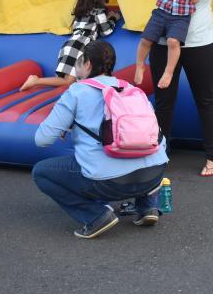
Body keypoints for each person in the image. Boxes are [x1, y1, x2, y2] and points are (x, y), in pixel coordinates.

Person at [32, 40, 169, 239]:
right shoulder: (132, 90)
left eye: (78, 62)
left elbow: (42, 140)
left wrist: (69, 125)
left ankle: (96, 216)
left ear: (87, 65)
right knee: (141, 148)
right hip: (154, 174)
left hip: (109, 183)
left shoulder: (77, 92)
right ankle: (147, 207)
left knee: (41, 172)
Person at [143, 0, 213, 176]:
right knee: (164, 101)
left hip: (200, 43)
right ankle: (160, 152)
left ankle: (212, 157)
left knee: (205, 100)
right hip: (166, 43)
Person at [21, 0, 121, 91]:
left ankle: (38, 82)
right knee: (69, 82)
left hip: (69, 45)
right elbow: (106, 31)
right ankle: (36, 81)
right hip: (79, 47)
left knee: (63, 80)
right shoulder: (98, 12)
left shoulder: (79, 14)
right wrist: (113, 18)